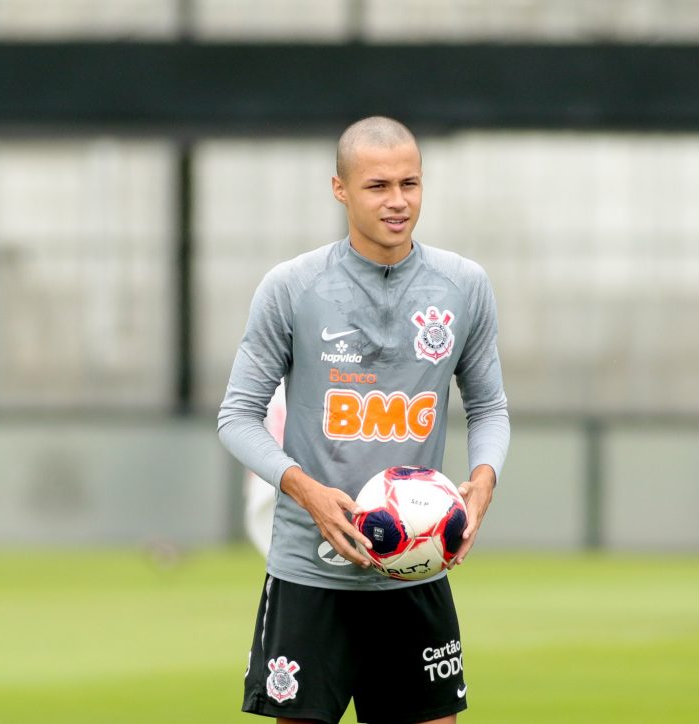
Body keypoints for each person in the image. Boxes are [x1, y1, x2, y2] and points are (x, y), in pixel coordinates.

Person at [218, 116, 509, 724]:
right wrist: (307, 492)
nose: (398, 201)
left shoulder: (463, 286)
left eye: (411, 183)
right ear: (340, 188)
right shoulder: (292, 288)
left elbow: (488, 408)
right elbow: (237, 417)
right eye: (378, 186)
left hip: (416, 568)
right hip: (309, 572)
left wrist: (483, 479)